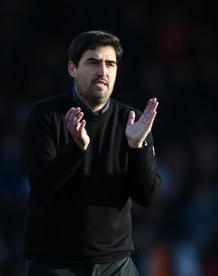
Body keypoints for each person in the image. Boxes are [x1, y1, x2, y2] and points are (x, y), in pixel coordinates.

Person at [22, 30, 162, 275]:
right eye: (93, 62)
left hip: (116, 263)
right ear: (72, 69)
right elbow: (42, 183)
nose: (103, 71)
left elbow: (148, 196)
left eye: (110, 64)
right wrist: (76, 147)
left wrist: (136, 148)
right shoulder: (46, 115)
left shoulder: (132, 121)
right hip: (55, 263)